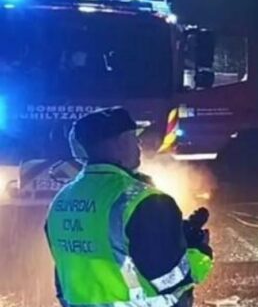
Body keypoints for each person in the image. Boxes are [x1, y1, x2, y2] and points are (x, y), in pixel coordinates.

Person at [45, 107, 213, 307]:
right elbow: (173, 280)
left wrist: (171, 238)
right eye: (134, 137)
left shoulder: (61, 201)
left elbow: (68, 272)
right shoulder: (146, 201)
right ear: (120, 142)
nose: (138, 144)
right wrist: (198, 249)